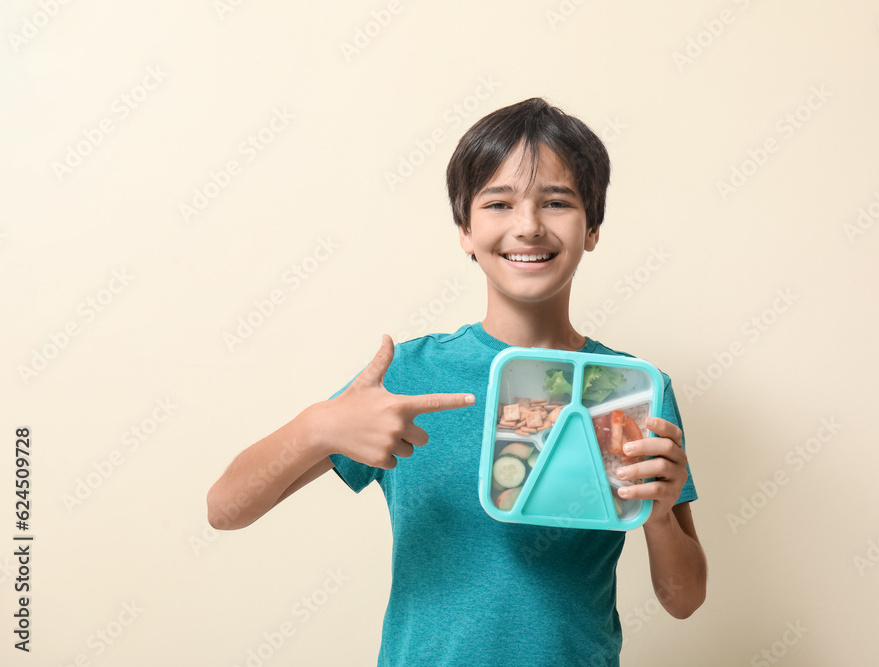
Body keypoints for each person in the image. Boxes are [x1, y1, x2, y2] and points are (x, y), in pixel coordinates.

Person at [207, 97, 707, 666]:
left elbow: (684, 600)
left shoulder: (629, 388)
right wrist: (320, 426)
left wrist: (660, 512)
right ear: (465, 230)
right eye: (499, 202)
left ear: (592, 228)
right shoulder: (406, 378)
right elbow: (225, 509)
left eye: (558, 202)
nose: (528, 225)